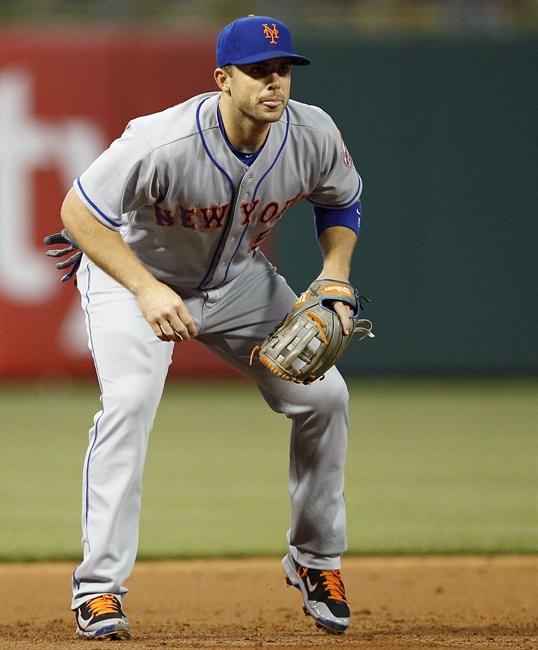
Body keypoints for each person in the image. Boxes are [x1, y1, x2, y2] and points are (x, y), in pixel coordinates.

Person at [53, 14, 364, 640]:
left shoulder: (312, 133)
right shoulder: (160, 141)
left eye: (282, 71)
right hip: (134, 279)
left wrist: (335, 272)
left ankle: (315, 561)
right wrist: (143, 287)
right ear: (222, 78)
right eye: (257, 72)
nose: (273, 83)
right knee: (131, 402)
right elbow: (78, 213)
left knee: (326, 397)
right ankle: (98, 590)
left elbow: (340, 198)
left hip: (238, 281)